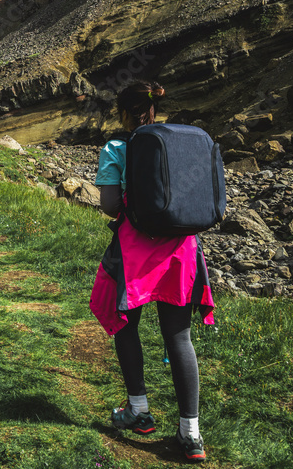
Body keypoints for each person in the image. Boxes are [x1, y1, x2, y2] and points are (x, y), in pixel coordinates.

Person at [89, 80, 214, 463]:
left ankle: (139, 411)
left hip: (135, 253)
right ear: (154, 109)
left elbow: (111, 206)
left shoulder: (116, 148)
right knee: (179, 338)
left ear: (124, 113)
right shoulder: (182, 142)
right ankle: (190, 434)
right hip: (182, 252)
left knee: (127, 326)